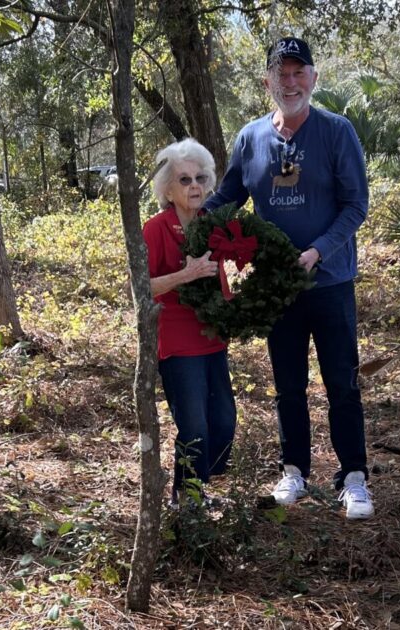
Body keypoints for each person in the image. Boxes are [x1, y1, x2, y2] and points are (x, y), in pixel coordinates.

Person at [205, 36, 372, 520]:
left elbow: (355, 205)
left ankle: (354, 477)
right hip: (276, 287)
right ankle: (294, 469)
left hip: (331, 281)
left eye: (300, 72)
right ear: (268, 81)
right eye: (282, 73)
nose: (291, 81)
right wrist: (184, 217)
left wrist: (317, 251)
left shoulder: (337, 132)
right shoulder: (251, 137)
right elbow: (228, 198)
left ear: (314, 78)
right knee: (288, 385)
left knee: (342, 382)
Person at [142, 138, 237, 508]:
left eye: (200, 177)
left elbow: (229, 275)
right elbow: (142, 287)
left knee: (224, 424)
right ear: (167, 187)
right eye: (184, 180)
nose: (195, 185)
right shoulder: (155, 228)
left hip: (213, 335)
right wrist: (186, 274)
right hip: (176, 338)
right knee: (194, 426)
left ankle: (197, 486)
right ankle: (186, 499)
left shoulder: (212, 225)